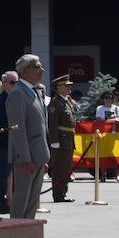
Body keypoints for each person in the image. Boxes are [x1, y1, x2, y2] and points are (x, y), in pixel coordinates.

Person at [8, 55, 50, 220]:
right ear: (25, 71)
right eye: (37, 67)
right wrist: (25, 159)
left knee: (32, 202)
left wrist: (43, 156)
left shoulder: (34, 91)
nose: (42, 70)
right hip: (27, 158)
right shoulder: (17, 93)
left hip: (38, 155)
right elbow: (18, 130)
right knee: (22, 201)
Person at [46, 75, 78, 203]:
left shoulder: (66, 101)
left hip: (68, 139)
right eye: (66, 85)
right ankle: (58, 194)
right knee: (59, 168)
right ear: (59, 87)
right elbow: (52, 124)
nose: (69, 88)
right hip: (60, 139)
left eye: (70, 85)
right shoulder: (55, 103)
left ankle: (63, 192)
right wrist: (54, 142)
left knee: (66, 168)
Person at [0, 71, 18, 214]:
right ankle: (3, 203)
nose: (16, 85)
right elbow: (1, 121)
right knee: (5, 172)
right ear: (5, 84)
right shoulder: (0, 99)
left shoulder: (17, 98)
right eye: (13, 82)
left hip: (18, 141)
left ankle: (14, 200)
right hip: (6, 141)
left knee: (16, 172)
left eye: (17, 82)